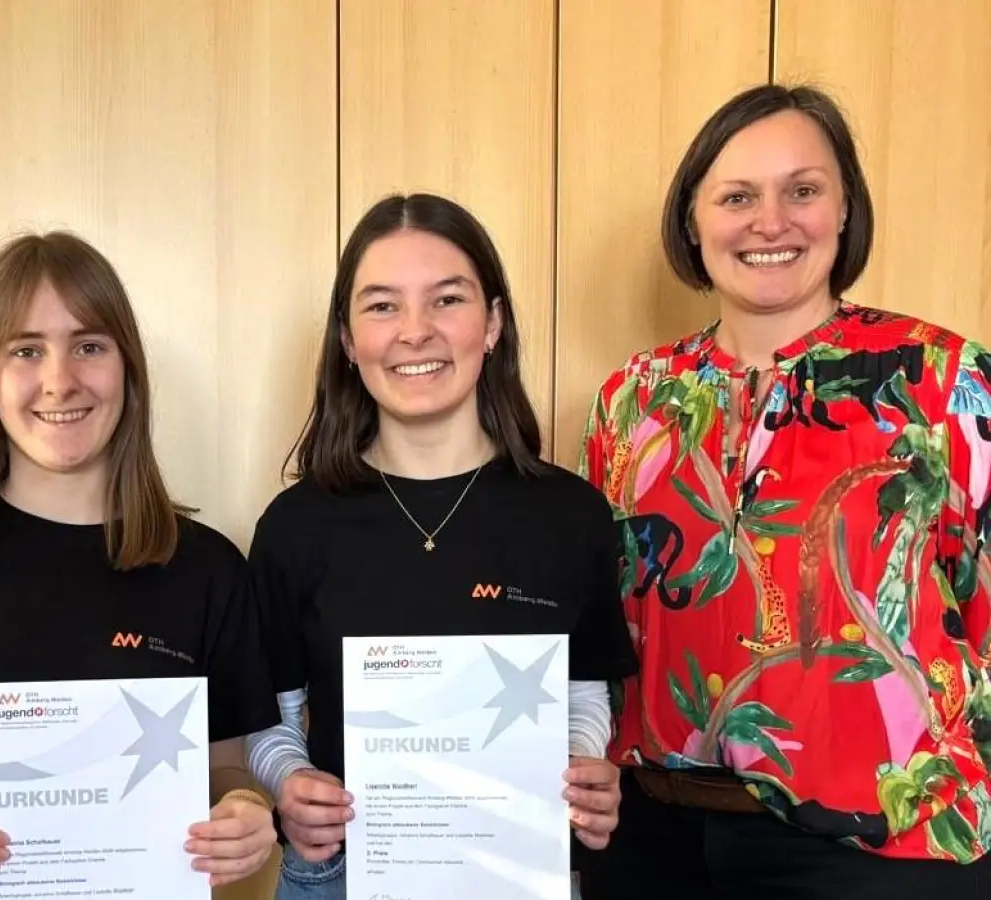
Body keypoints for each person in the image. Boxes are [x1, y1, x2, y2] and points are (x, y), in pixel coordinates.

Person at [574, 83, 991, 898]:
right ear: (694, 223)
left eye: (802, 190)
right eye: (737, 197)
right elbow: (610, 619)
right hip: (659, 834)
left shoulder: (943, 380)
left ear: (844, 211)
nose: (771, 221)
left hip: (888, 849)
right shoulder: (632, 399)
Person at [0, 230, 280, 898]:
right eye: (26, 350)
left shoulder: (207, 568)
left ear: (127, 369)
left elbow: (227, 772)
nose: (59, 381)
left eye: (89, 346)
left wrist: (246, 811)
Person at [243, 192, 640, 900]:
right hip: (343, 875)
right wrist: (290, 782)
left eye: (447, 300)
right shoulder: (297, 526)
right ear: (346, 337)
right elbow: (272, 713)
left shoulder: (569, 514)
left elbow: (583, 691)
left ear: (491, 324)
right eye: (382, 305)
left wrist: (582, 766)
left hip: (522, 868)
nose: (415, 332)